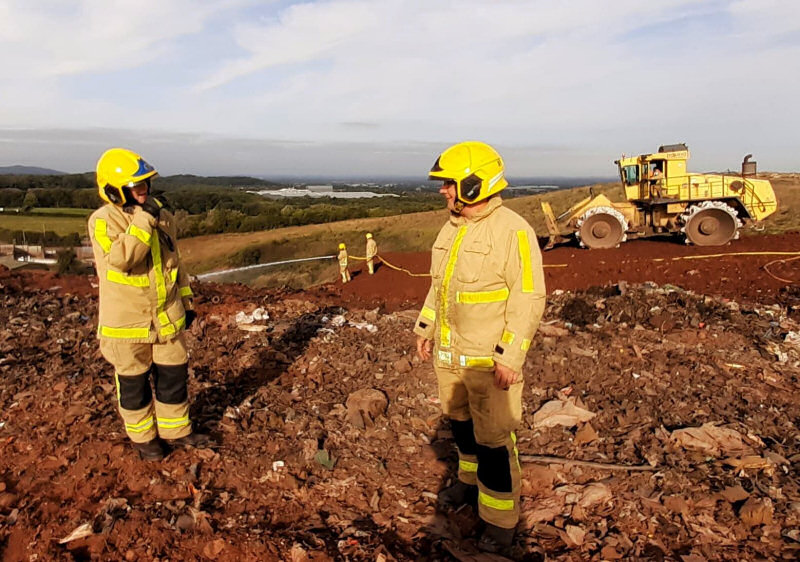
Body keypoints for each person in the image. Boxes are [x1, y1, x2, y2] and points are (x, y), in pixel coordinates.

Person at [414, 141, 546, 553]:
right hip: (450, 358)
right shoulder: (450, 228)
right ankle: (468, 486)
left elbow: (529, 297)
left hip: (489, 364)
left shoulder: (513, 231)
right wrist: (426, 326)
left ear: (473, 183)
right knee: (460, 428)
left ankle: (501, 521)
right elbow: (441, 287)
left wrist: (510, 356)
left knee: (493, 443)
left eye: (449, 184)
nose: (443, 191)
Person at [88, 148, 210, 461]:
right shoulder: (102, 221)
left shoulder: (162, 218)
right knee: (134, 384)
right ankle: (143, 438)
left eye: (146, 185)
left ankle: (176, 430)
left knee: (173, 376)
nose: (144, 191)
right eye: (136, 186)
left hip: (166, 319)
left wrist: (186, 302)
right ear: (115, 190)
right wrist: (143, 221)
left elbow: (174, 265)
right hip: (126, 325)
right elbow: (122, 259)